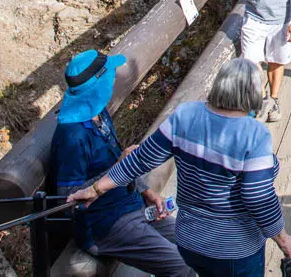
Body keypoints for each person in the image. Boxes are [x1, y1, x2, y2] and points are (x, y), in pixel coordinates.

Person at [68, 58, 291, 277]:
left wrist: (97, 188)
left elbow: (140, 159)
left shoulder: (185, 116)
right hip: (233, 250)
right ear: (253, 93)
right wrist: (281, 237)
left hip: (190, 242)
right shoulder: (254, 135)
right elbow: (257, 195)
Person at [50, 50, 193, 277]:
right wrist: (119, 164)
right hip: (105, 224)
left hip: (133, 204)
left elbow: (121, 166)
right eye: (111, 74)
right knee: (181, 266)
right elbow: (68, 198)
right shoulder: (72, 136)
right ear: (99, 83)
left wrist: (147, 192)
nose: (115, 77)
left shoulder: (98, 114)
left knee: (198, 246)